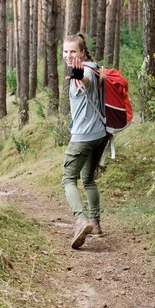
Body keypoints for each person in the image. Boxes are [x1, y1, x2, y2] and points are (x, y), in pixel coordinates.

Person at [62, 34, 109, 249]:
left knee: (68, 178)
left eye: (73, 51)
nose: (69, 55)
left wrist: (78, 74)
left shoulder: (85, 71)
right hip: (101, 134)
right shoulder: (96, 67)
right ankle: (96, 225)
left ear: (82, 53)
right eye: (66, 52)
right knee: (88, 178)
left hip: (84, 137)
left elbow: (86, 80)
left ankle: (80, 220)